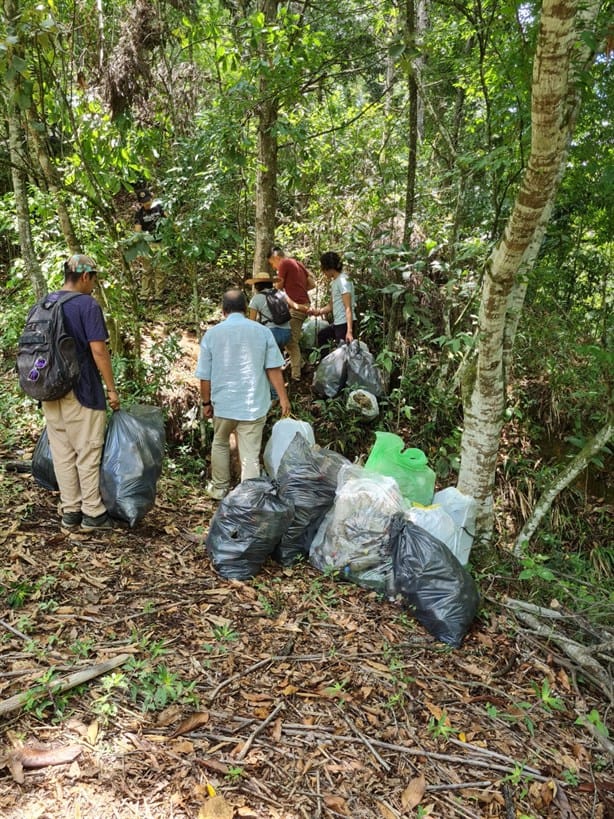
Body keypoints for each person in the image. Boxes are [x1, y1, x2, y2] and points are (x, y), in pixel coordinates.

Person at [42, 254, 120, 532]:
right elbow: (99, 350)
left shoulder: (45, 303)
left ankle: (71, 510)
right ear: (85, 276)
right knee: (86, 451)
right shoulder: (86, 305)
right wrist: (111, 389)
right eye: (94, 279)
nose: (94, 285)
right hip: (81, 389)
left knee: (62, 452)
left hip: (49, 390)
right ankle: (93, 513)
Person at [195, 289, 291, 501]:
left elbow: (205, 376)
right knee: (250, 454)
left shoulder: (212, 334)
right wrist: (284, 398)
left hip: (224, 405)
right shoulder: (262, 332)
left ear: (223, 311)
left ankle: (220, 489)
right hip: (253, 404)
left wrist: (206, 402)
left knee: (220, 442)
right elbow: (274, 368)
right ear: (247, 309)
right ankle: (247, 498)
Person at [267, 246, 313, 382]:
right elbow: (311, 283)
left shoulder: (284, 264)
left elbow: (278, 287)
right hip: (303, 303)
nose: (274, 266)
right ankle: (302, 365)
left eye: (272, 263)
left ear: (276, 257)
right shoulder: (297, 263)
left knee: (291, 341)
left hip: (297, 306)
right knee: (290, 339)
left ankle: (296, 375)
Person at [310, 251, 357, 347]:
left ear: (329, 268)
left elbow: (348, 307)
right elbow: (331, 305)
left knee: (344, 353)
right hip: (338, 323)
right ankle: (326, 361)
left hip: (345, 324)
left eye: (323, 268)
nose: (323, 272)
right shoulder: (335, 282)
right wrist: (318, 312)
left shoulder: (343, 281)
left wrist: (349, 331)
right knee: (322, 335)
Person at [133, 187, 166, 300]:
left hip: (160, 242)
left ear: (152, 199)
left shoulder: (159, 208)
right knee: (147, 270)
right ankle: (144, 295)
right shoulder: (139, 214)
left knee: (160, 270)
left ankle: (158, 295)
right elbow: (138, 231)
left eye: (148, 201)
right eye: (143, 202)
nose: (146, 204)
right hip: (147, 244)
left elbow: (169, 220)